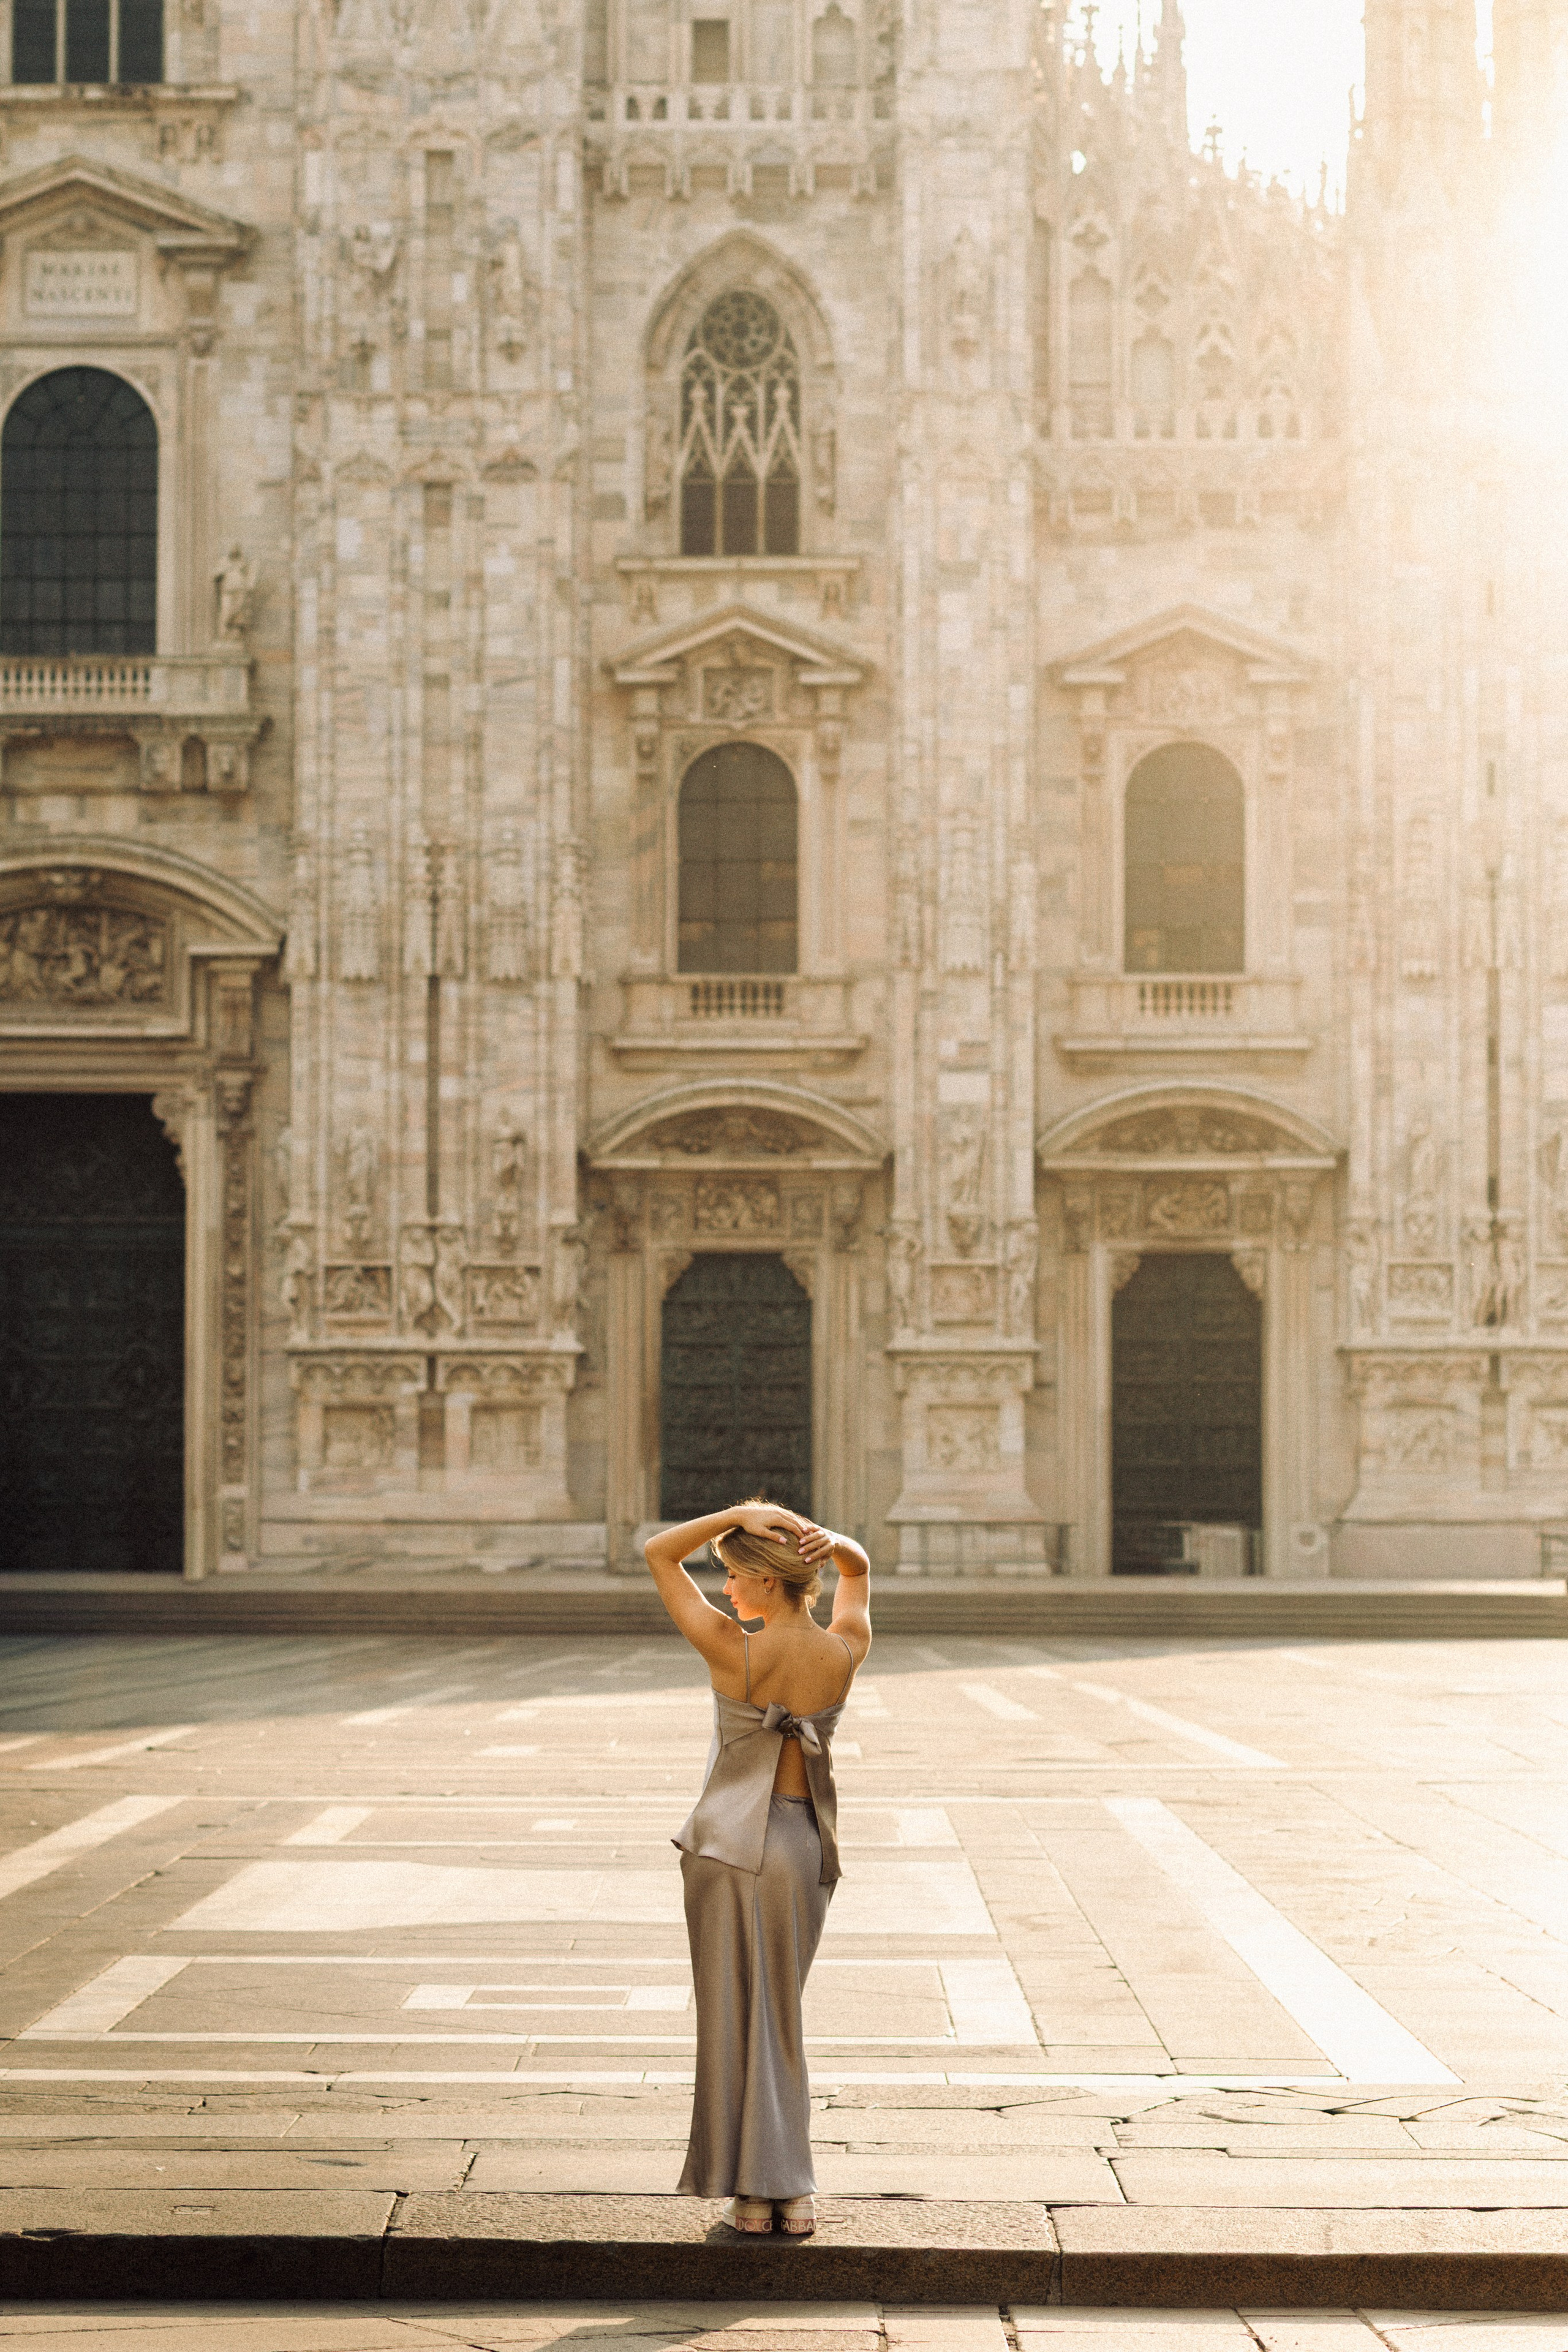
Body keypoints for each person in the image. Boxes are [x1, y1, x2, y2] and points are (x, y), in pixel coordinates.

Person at [644, 1496, 872, 2240]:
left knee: (730, 2016)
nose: (726, 1591)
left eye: (736, 1576)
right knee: (782, 2017)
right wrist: (826, 1540)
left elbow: (658, 1552)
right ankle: (786, 2194)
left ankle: (755, 2189)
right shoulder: (843, 1649)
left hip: (725, 1849)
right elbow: (859, 1569)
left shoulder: (729, 1649)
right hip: (803, 1845)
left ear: (769, 1583)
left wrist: (737, 1513)